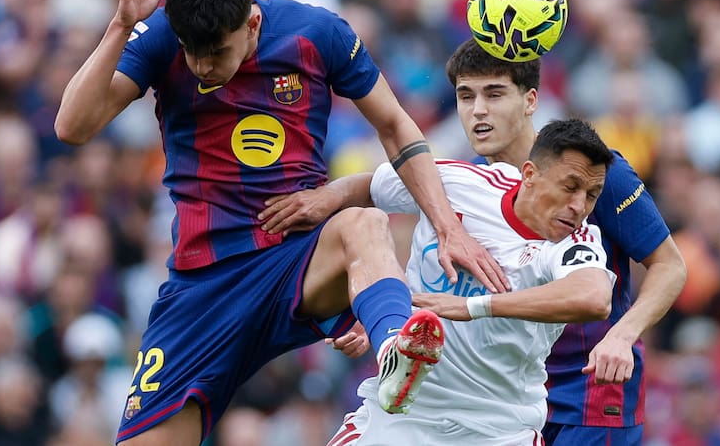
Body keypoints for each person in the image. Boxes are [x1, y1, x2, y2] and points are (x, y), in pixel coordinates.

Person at [54, 0, 508, 446]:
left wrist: (448, 229)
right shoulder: (162, 34)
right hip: (203, 285)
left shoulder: (316, 34)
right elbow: (72, 126)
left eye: (216, 53)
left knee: (365, 223)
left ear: (250, 24)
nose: (202, 66)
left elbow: (397, 128)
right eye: (192, 52)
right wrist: (121, 24)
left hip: (294, 257)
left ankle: (394, 352)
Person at [262, 39, 687, 445]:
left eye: (495, 95)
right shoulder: (456, 180)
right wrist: (383, 309)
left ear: (531, 101)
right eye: (466, 97)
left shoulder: (591, 172)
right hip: (483, 396)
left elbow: (669, 266)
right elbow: (376, 191)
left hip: (588, 388)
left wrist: (621, 335)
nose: (479, 111)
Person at [319, 117, 617, 444]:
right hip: (404, 413)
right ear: (530, 174)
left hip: (500, 428)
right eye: (570, 187)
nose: (579, 206)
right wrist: (318, 200)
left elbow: (594, 297)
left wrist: (473, 307)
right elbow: (368, 189)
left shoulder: (578, 240)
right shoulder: (461, 182)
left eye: (592, 194)